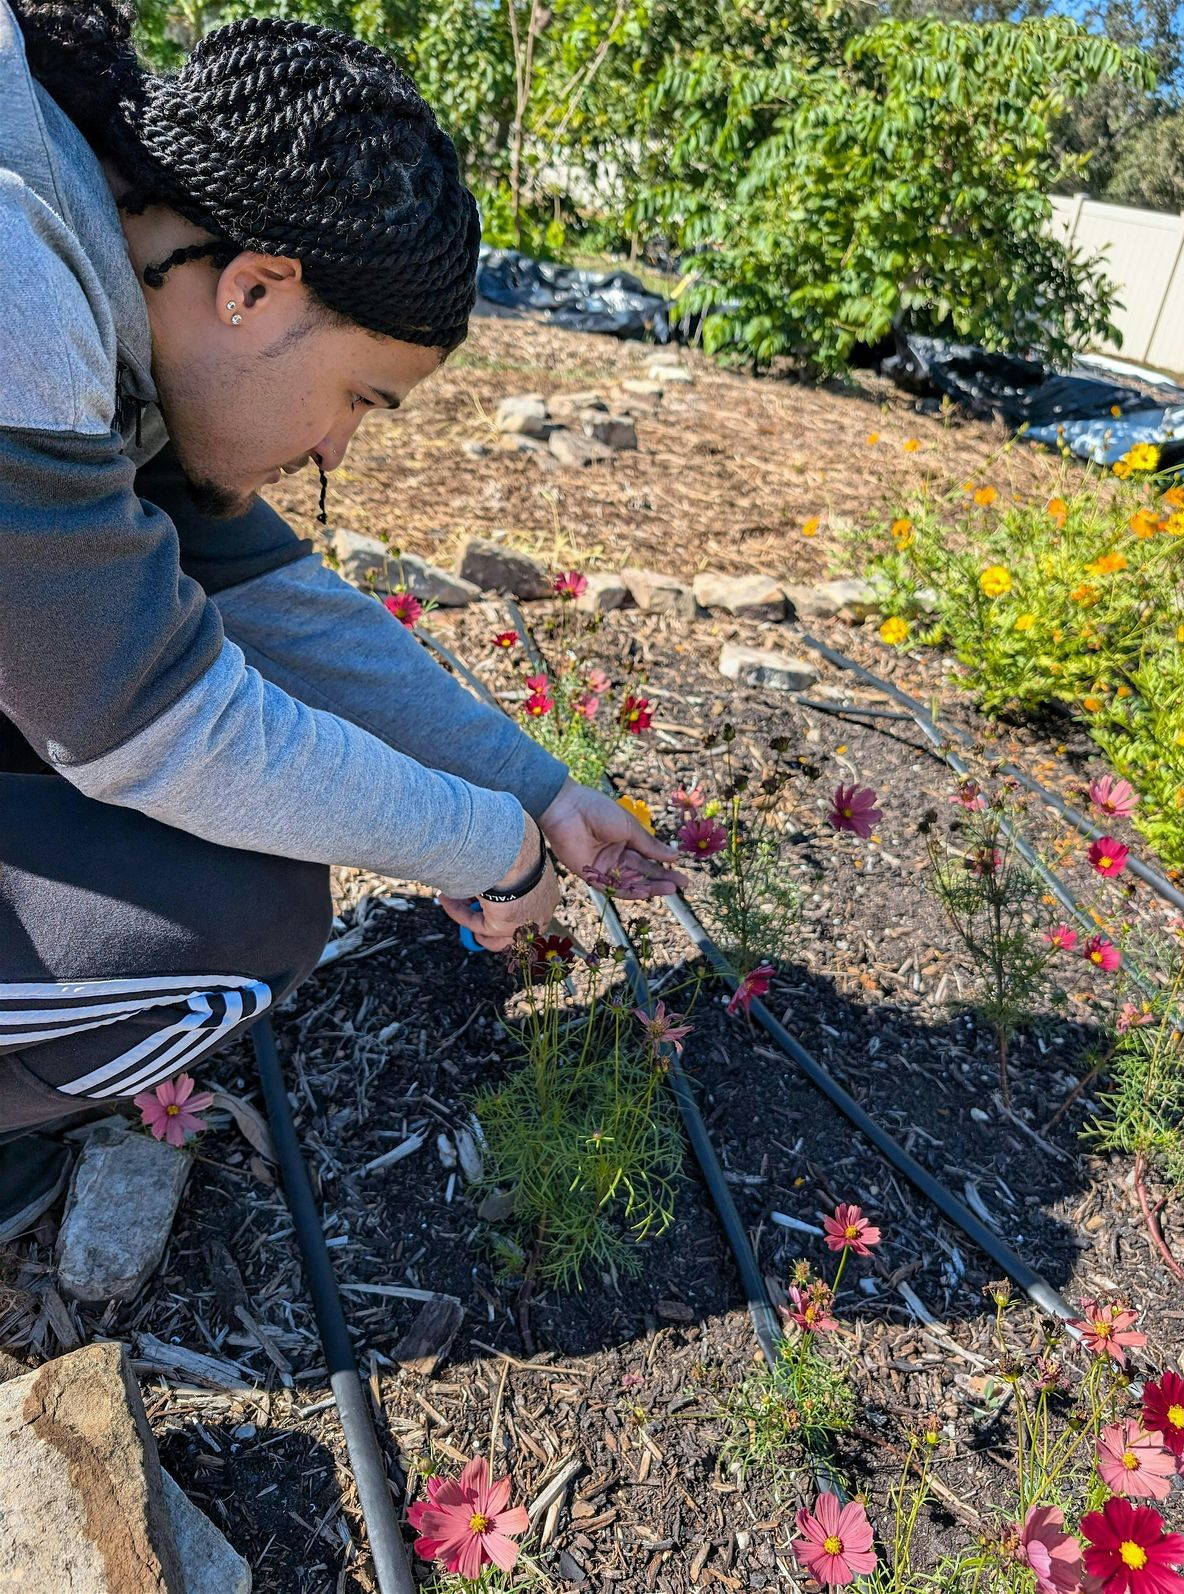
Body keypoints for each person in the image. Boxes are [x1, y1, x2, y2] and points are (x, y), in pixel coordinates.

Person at [0, 0, 685, 1240]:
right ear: (256, 287)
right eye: (357, 400)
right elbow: (157, 723)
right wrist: (489, 851)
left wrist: (533, 790)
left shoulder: (109, 258)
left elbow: (266, 597)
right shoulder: (19, 293)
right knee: (226, 923)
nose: (332, 447)